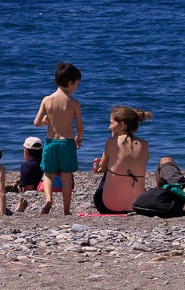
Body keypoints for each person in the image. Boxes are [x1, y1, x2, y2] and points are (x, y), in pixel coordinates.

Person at [32, 62, 84, 215]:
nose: (77, 88)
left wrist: (45, 121)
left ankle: (48, 199)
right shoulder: (74, 103)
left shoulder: (47, 100)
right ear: (70, 83)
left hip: (51, 142)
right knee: (67, 176)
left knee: (48, 174)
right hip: (67, 143)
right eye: (76, 84)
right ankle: (66, 210)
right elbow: (80, 126)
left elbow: (36, 123)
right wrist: (79, 138)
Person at [92, 106, 153, 214]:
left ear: (122, 125)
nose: (109, 127)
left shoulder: (111, 141)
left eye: (111, 123)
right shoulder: (145, 144)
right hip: (137, 206)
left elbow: (102, 168)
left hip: (106, 206)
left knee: (108, 170)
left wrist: (101, 166)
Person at [14, 136, 45, 213]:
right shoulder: (46, 162)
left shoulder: (26, 166)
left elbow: (29, 190)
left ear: (26, 151)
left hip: (38, 193)